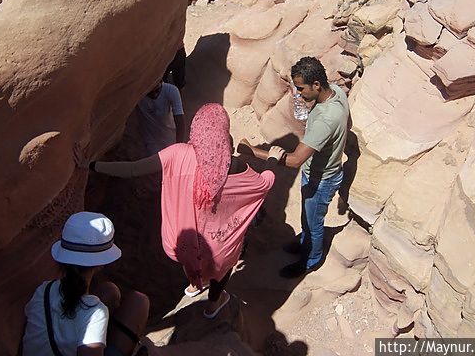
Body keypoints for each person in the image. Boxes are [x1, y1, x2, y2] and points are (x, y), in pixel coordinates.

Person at [90, 104, 283, 318]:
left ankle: (194, 283)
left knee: (191, 257)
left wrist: (94, 166)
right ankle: (213, 305)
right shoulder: (236, 167)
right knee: (223, 268)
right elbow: (264, 184)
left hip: (179, 243)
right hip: (219, 248)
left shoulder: (178, 154)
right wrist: (272, 159)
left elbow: (134, 169)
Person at [239, 57, 349, 278]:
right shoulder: (336, 91)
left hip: (321, 179)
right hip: (320, 171)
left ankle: (311, 261)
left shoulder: (325, 121)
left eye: (301, 88)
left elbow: (295, 160)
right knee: (308, 217)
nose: (298, 94)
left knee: (314, 222)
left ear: (316, 85)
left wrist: (254, 152)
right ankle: (304, 241)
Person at [22, 212, 150, 356]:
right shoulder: (95, 313)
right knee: (139, 302)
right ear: (100, 264)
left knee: (110, 291)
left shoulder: (43, 291)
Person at [137, 82, 185, 155]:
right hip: (151, 142)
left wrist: (179, 147)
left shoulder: (171, 90)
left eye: (157, 91)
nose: (155, 95)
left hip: (170, 139)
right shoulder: (137, 95)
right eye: (151, 92)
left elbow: (180, 122)